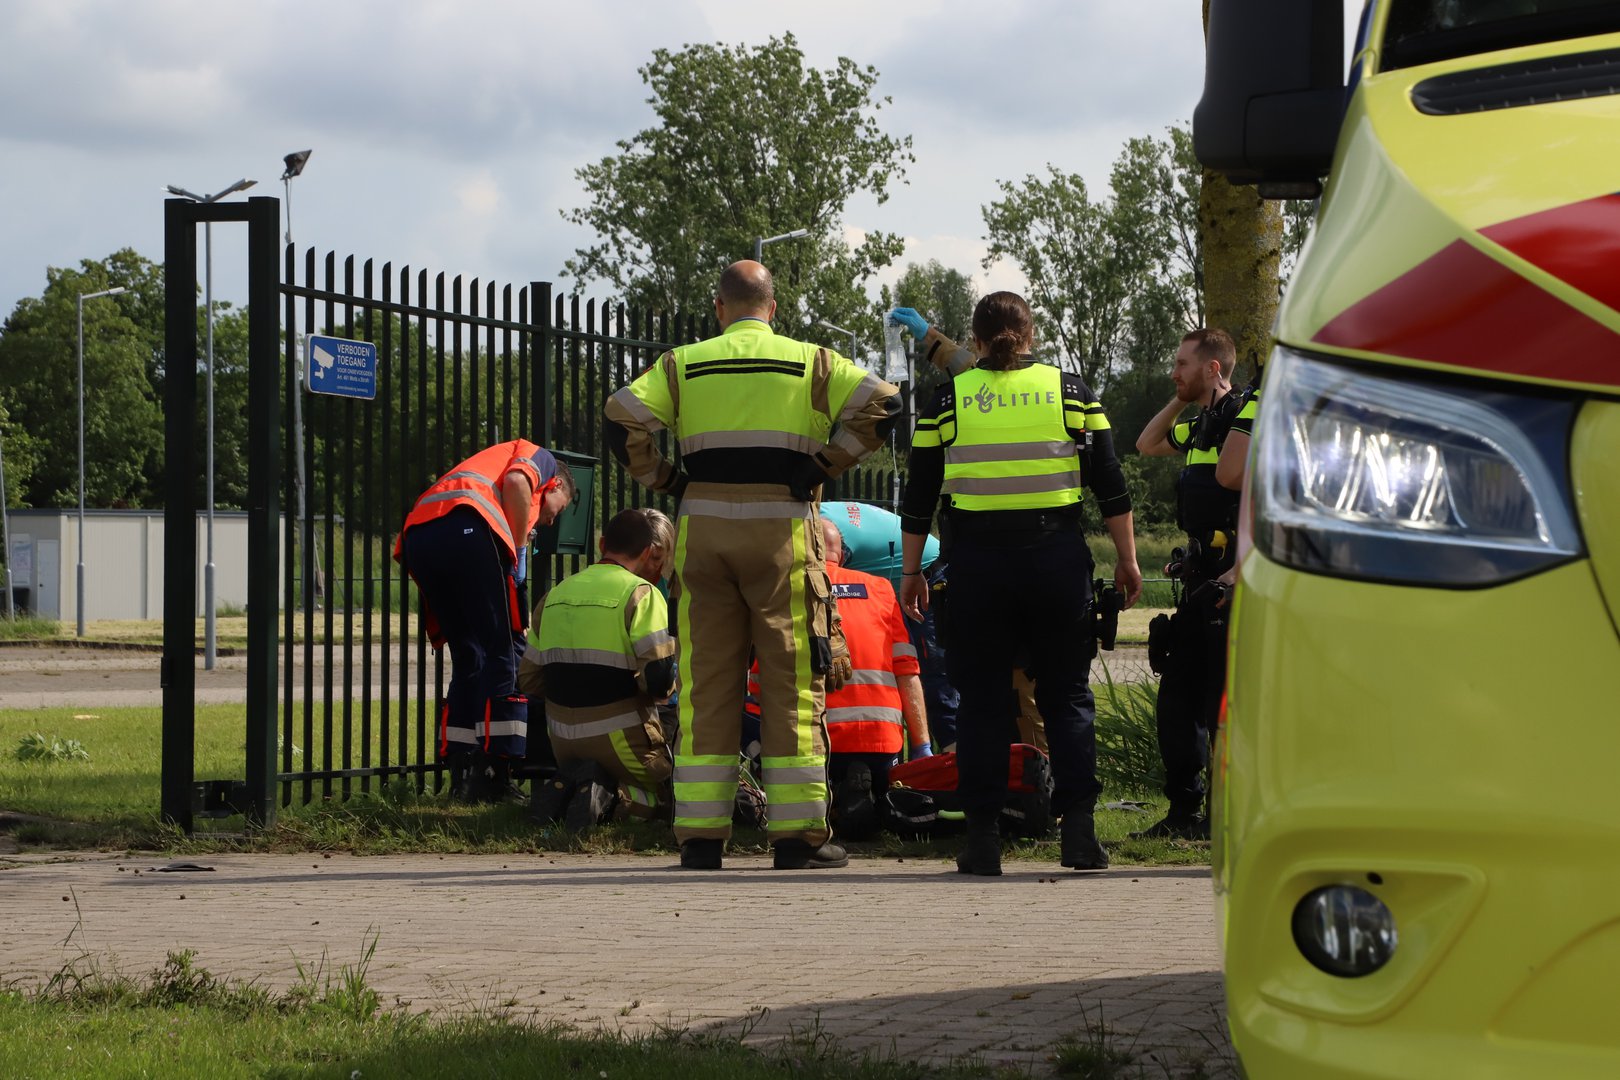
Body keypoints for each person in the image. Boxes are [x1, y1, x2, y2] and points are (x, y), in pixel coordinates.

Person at [604, 260, 901, 871]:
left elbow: (621, 414)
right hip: (781, 531)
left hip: (703, 530)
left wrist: (662, 477)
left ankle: (701, 839)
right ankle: (796, 838)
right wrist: (823, 466)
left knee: (707, 686)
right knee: (791, 681)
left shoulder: (682, 364)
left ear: (720, 309)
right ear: (774, 307)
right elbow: (884, 407)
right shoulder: (812, 361)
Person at [891, 294, 1143, 876]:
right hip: (1055, 559)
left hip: (978, 565)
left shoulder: (948, 399)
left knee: (981, 704)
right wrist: (1127, 559)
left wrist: (909, 573)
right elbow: (1110, 484)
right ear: (1030, 334)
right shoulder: (1074, 394)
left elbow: (920, 495)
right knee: (1068, 698)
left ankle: (982, 841)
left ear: (976, 340)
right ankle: (1078, 833)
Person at [395, 439, 574, 801]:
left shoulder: (484, 464)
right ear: (555, 486)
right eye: (555, 511)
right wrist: (520, 549)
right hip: (468, 526)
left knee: (469, 656)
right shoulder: (544, 460)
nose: (549, 519)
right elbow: (517, 483)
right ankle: (494, 775)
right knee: (504, 651)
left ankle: (461, 773)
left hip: (420, 534)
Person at [1133, 328, 1254, 839]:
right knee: (1178, 701)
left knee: (1220, 703)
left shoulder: (1245, 415)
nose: (1173, 372)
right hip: (1201, 580)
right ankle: (1184, 812)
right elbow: (1147, 443)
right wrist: (1181, 396)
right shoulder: (1203, 422)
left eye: (1182, 364)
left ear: (1214, 368)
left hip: (1234, 581)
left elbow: (1239, 485)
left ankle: (1225, 816)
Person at [752, 517, 928, 838]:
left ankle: (831, 797)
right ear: (843, 555)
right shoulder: (880, 589)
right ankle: (868, 791)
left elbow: (759, 684)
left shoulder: (788, 593)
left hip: (821, 743)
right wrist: (922, 747)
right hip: (883, 741)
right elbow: (908, 672)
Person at [519, 508, 677, 830]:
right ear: (648, 552)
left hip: (563, 741)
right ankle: (613, 797)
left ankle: (572, 791)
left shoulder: (554, 595)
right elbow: (658, 683)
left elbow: (529, 680)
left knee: (586, 778)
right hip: (624, 742)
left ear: (603, 543)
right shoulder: (642, 594)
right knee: (668, 799)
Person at [819, 500, 957, 751]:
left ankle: (952, 764)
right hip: (910, 575)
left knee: (935, 680)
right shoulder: (819, 512)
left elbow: (825, 587)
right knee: (910, 666)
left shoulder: (823, 530)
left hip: (928, 577)